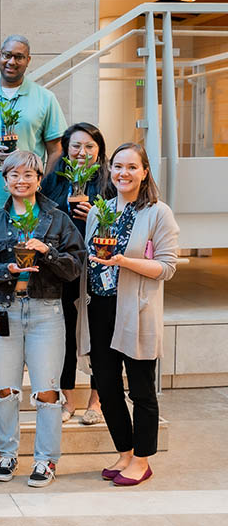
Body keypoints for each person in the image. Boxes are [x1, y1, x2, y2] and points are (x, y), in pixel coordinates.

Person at [0, 150, 85, 488]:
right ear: (5, 181)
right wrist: (7, 269)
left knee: (47, 389)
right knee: (3, 388)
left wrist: (48, 252)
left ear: (38, 179)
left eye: (28, 174)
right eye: (14, 175)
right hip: (2, 311)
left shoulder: (57, 220)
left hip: (46, 312)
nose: (21, 180)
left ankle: (46, 461)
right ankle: (7, 453)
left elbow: (74, 267)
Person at [76, 143, 179, 486]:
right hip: (99, 308)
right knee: (106, 387)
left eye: (132, 167)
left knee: (141, 390)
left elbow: (166, 267)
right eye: (118, 166)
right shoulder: (99, 211)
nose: (123, 173)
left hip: (135, 310)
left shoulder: (157, 212)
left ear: (145, 171)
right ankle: (124, 452)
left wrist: (124, 262)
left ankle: (142, 459)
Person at [41, 122, 116, 425]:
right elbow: (42, 215)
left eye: (89, 147)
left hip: (100, 269)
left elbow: (120, 220)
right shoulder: (54, 181)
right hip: (63, 268)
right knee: (64, 335)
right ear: (66, 149)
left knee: (100, 334)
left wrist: (95, 216)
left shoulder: (110, 182)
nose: (81, 152)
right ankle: (66, 398)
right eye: (75, 146)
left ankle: (96, 402)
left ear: (99, 152)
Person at [0, 35, 67, 208]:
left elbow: (56, 150)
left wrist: (43, 186)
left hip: (28, 197)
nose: (11, 61)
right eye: (7, 55)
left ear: (28, 60)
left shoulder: (46, 98)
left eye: (19, 57)